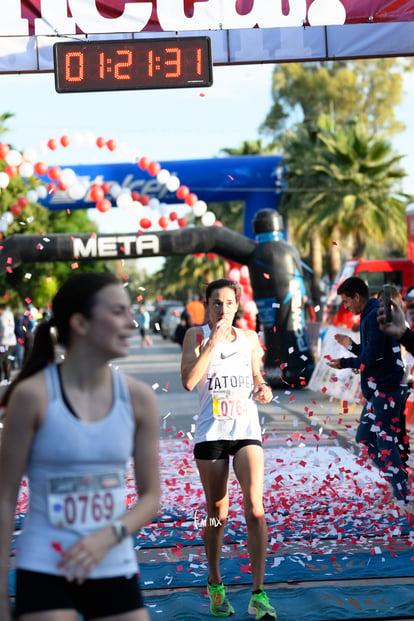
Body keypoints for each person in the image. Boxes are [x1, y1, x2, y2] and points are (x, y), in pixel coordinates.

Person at [0, 272, 160, 621]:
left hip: (113, 564)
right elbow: (4, 497)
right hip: (45, 566)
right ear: (80, 324)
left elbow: (151, 498)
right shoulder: (32, 397)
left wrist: (108, 536)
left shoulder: (139, 399)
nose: (131, 322)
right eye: (118, 311)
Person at [181, 278, 276, 619]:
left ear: (238, 305)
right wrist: (212, 343)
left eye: (229, 303)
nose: (223, 309)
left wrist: (262, 388)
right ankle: (215, 581)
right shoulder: (195, 336)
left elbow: (256, 377)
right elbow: (190, 381)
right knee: (217, 511)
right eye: (216, 303)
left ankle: (259, 593)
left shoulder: (250, 338)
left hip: (246, 429)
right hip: (212, 433)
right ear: (207, 305)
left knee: (254, 508)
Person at [327, 277, 409, 506]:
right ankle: (400, 484)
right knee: (365, 438)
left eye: (346, 301)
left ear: (356, 297)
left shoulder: (373, 315)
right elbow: (372, 351)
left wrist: (346, 362)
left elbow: (372, 356)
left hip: (386, 389)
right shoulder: (369, 315)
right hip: (379, 389)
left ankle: (403, 494)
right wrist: (352, 347)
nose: (345, 307)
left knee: (385, 443)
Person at [0, 303, 16, 385]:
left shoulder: (2, 318)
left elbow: (4, 331)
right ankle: (7, 378)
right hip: (11, 341)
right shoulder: (10, 315)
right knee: (6, 359)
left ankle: (5, 379)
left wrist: (0, 342)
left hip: (4, 342)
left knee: (2, 360)